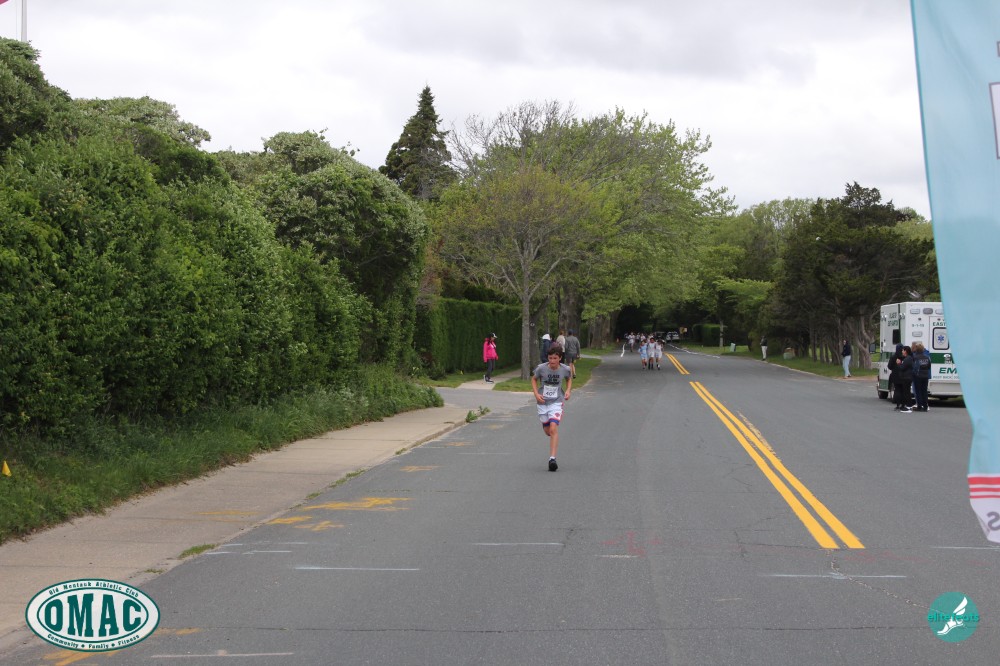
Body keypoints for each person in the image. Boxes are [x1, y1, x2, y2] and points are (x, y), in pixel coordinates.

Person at [532, 344, 572, 471]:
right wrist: (536, 394)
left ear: (560, 358)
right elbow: (534, 379)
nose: (552, 361)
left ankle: (552, 459)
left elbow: (569, 379)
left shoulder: (565, 369)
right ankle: (550, 431)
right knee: (548, 432)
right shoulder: (541, 368)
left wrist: (568, 390)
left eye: (555, 358)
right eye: (550, 358)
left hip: (556, 402)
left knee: (554, 429)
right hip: (543, 403)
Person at [911, 341, 932, 411]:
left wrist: (913, 374)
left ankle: (919, 406)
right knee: (924, 391)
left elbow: (914, 367)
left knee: (918, 391)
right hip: (925, 376)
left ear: (916, 349)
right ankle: (925, 406)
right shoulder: (926, 357)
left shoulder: (915, 357)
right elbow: (929, 366)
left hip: (917, 376)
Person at [893, 345, 913, 412]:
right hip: (906, 377)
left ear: (906, 351)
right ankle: (908, 405)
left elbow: (902, 368)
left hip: (907, 377)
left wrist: (899, 363)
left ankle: (909, 406)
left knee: (906, 392)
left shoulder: (908, 359)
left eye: (903, 350)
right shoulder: (907, 358)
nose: (902, 351)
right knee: (906, 392)